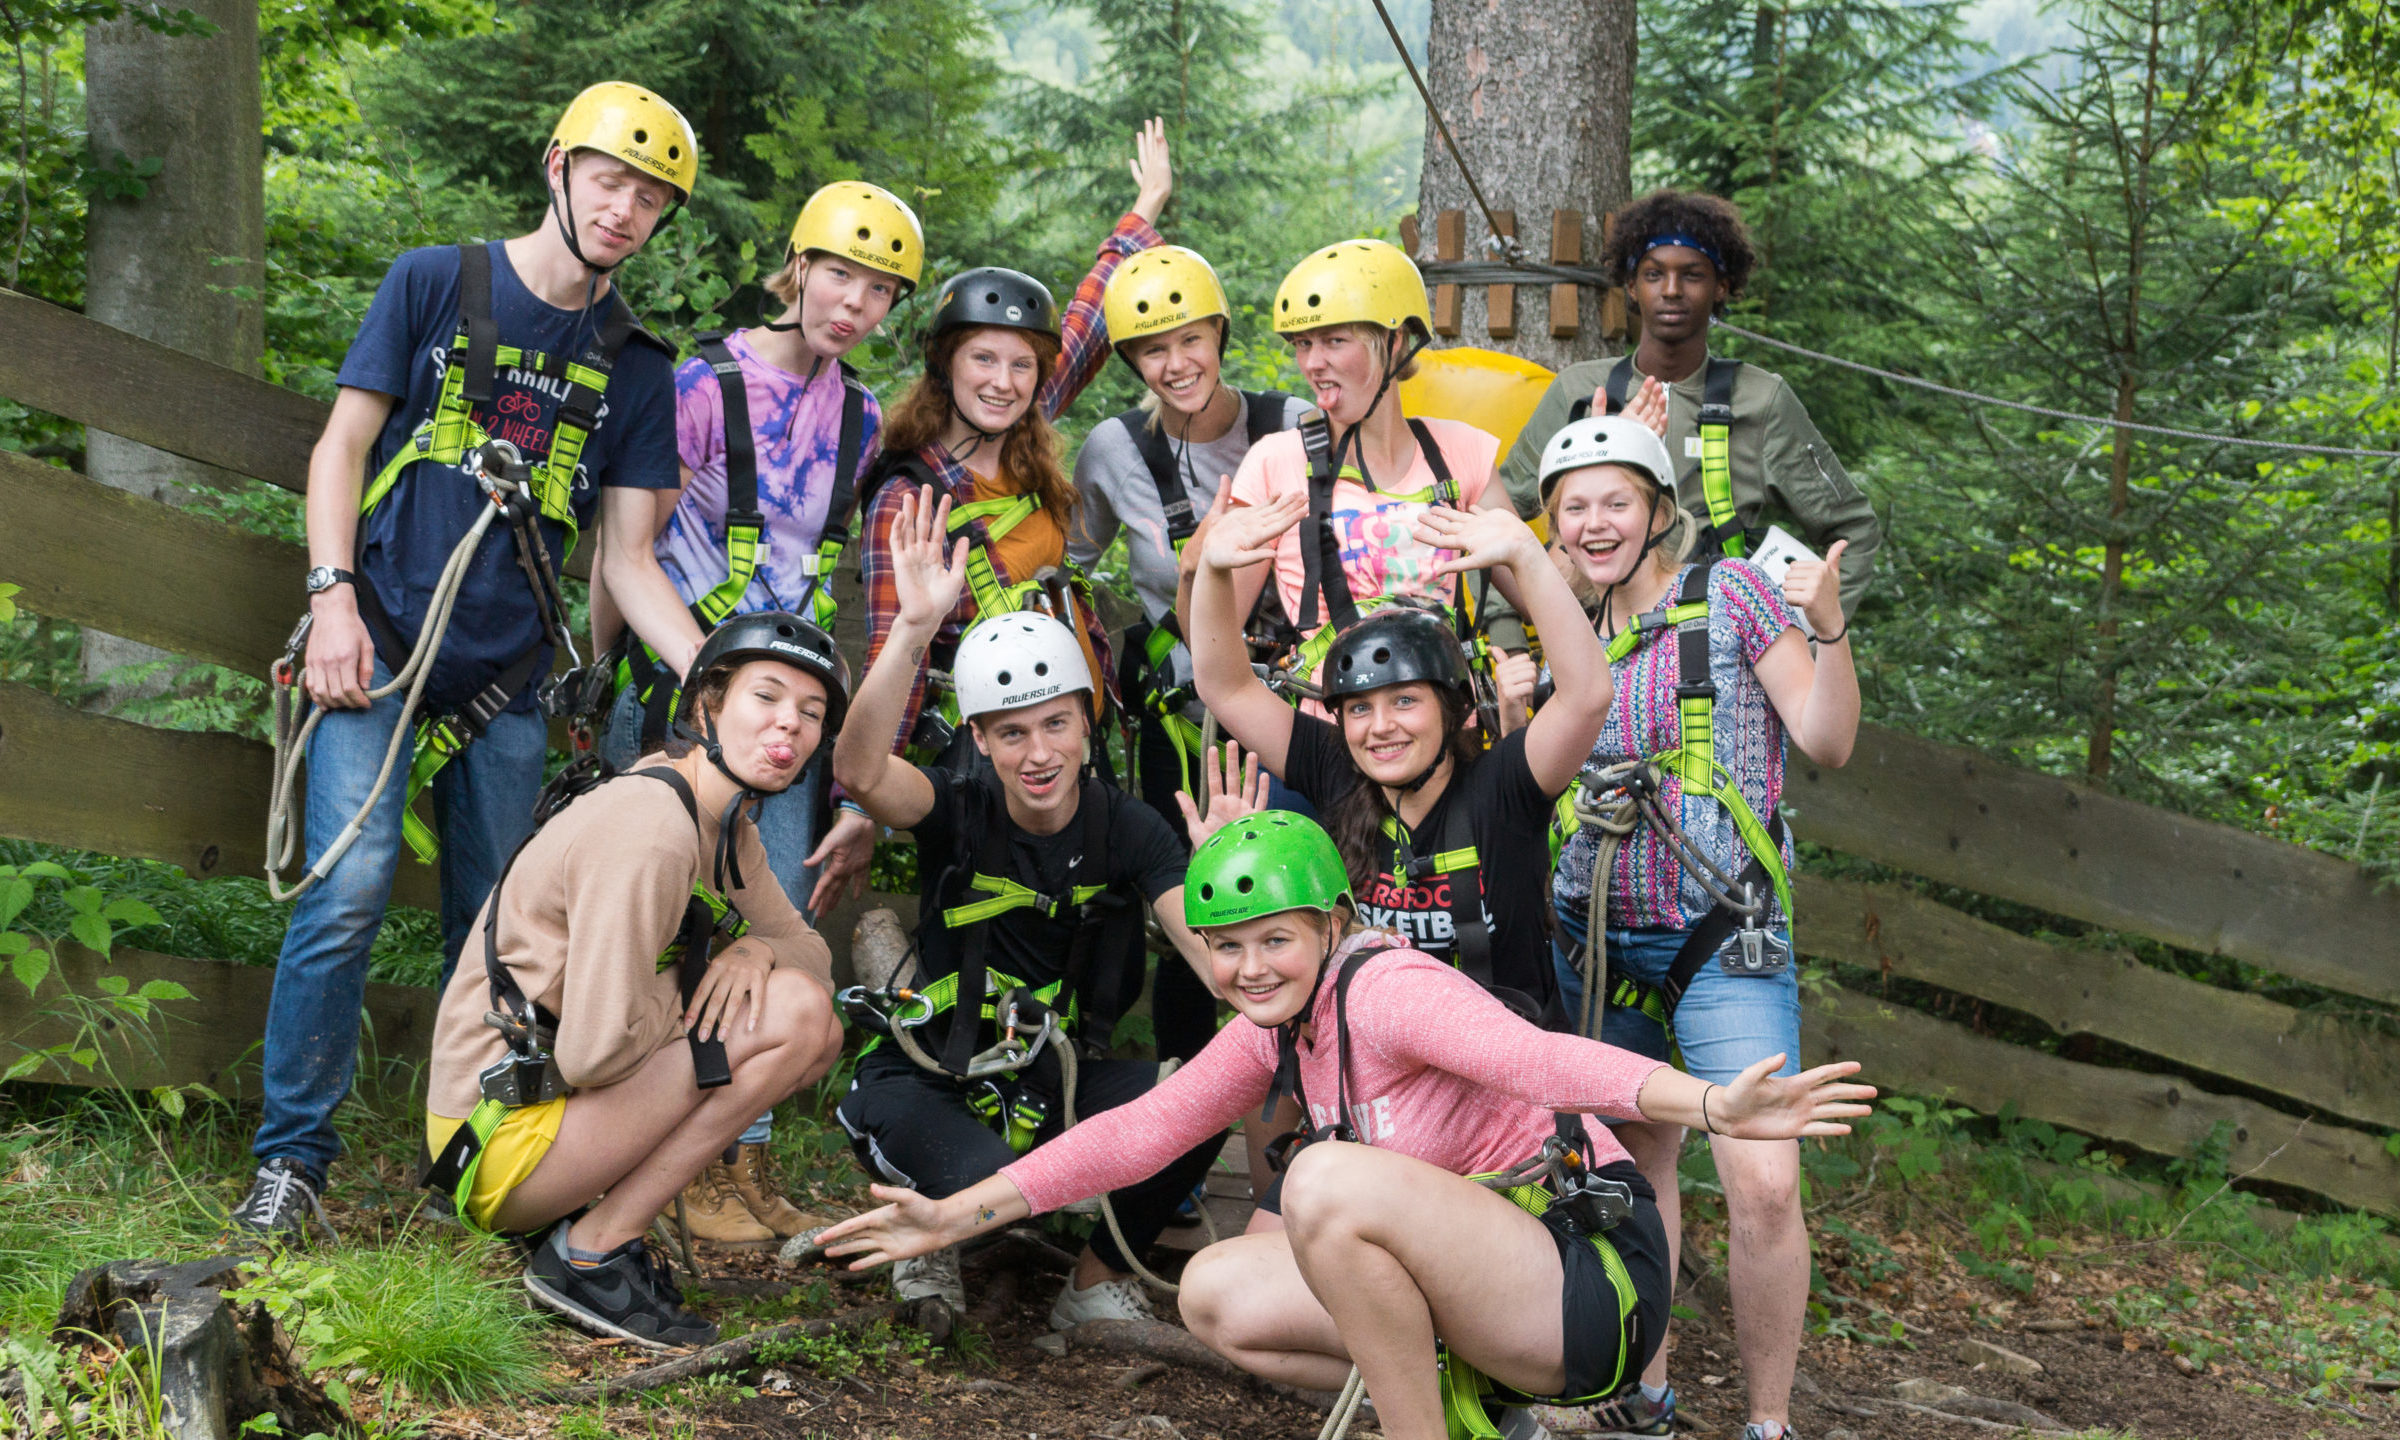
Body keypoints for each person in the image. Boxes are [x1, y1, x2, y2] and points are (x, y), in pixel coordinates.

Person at [815, 816, 1876, 1440]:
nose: (1248, 969)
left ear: (1331, 923)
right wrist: (953, 1215)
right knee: (1216, 1290)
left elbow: (1541, 1059)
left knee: (1321, 1183)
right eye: (1225, 947)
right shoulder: (1277, 1021)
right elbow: (1140, 1132)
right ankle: (1483, 1416)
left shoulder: (1386, 988)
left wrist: (1709, 1103)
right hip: (1493, 1290)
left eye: (1273, 939)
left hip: (1588, 1284)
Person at [238, 82, 709, 1238]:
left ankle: (470, 1163)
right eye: (609, 180)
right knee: (347, 890)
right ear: (557, 167)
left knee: (502, 934)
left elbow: (630, 557)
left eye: (650, 198)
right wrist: (331, 598)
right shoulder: (434, 283)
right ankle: (292, 1162)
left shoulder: (637, 368)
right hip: (381, 645)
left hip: (509, 680)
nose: (625, 209)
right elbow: (344, 446)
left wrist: (720, 677)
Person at [587, 180, 923, 1246]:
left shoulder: (861, 416)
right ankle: (648, 1156)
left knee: (766, 931)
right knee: (663, 925)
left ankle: (743, 1159)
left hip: (785, 719)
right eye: (841, 278)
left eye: (880, 292)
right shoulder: (700, 386)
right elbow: (626, 548)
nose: (855, 305)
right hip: (682, 695)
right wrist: (601, 678)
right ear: (800, 269)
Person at [828, 486, 1235, 1332]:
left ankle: (1092, 1283)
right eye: (1011, 733)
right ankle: (930, 1241)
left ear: (1087, 724)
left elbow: (1215, 962)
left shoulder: (1128, 829)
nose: (1038, 753)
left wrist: (1231, 883)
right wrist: (911, 631)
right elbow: (861, 774)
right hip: (930, 1070)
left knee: (1204, 1097)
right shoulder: (957, 807)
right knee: (981, 1189)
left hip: (1051, 1077)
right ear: (979, 740)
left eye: (1056, 725)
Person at [1532, 411, 1860, 1440]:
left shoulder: (1732, 596)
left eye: (1615, 503)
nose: (1594, 524)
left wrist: (1832, 630)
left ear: (1659, 511)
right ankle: (1645, 1398)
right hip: (1596, 941)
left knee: (1763, 1182)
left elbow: (1825, 739)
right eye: (1573, 508)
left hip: (1725, 930)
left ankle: (1768, 1422)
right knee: (1637, 1172)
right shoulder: (1558, 633)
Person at [420, 613, 849, 1349]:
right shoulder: (652, 825)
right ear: (707, 705)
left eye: (811, 714)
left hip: (547, 1113)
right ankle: (589, 1255)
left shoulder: (723, 826)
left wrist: (754, 953)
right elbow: (593, 1055)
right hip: (495, 1142)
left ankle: (588, 1232)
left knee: (810, 1018)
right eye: (766, 697)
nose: (790, 724)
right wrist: (703, 979)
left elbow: (809, 952)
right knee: (797, 1019)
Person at [1184, 480, 1613, 1031]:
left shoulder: (1504, 787)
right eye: (1359, 708)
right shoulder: (1337, 770)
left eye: (1405, 701)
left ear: (1452, 708)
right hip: (1379, 1054)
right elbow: (1226, 686)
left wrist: (1528, 556)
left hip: (1504, 1061)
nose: (1381, 727)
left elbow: (1586, 695)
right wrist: (1214, 571)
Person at [852, 120, 1174, 773]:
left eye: (1022, 364)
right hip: (988, 764)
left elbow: (1088, 324)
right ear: (946, 363)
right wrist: (866, 795)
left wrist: (1147, 207)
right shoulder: (911, 499)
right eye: (983, 359)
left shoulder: (1021, 425)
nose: (1003, 381)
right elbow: (895, 650)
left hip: (1072, 745)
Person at [1069, 242, 1308, 1065]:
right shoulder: (1114, 450)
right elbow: (1068, 562)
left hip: (1297, 705)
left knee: (1296, 893)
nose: (1175, 365)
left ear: (1220, 335)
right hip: (1184, 718)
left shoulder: (1291, 426)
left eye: (1190, 340)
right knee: (1196, 903)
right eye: (1152, 351)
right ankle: (1192, 1097)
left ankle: (1301, 1083)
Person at [1496, 189, 1881, 624]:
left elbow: (1853, 529)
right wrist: (1507, 636)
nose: (1672, 290)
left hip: (1724, 644)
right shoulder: (1579, 391)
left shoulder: (1760, 400)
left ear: (1722, 286)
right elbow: (1493, 519)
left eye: (1692, 275)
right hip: (1598, 644)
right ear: (1632, 286)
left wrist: (1813, 632)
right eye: (1654, 274)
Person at [1197, 238, 1520, 710]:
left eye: (1334, 341)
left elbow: (1541, 589)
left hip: (1447, 725)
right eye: (1303, 344)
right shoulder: (1275, 462)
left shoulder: (1460, 451)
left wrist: (1603, 483)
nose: (1313, 363)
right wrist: (1197, 571)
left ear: (1394, 342)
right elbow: (1214, 645)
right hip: (1326, 727)